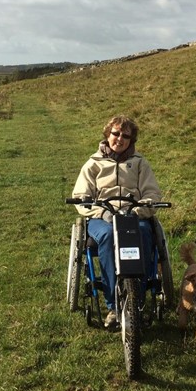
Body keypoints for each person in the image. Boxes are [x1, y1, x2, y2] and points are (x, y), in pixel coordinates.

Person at [72, 115, 163, 329]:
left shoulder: (140, 163)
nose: (119, 139)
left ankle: (137, 302)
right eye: (115, 133)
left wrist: (138, 211)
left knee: (142, 234)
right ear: (107, 135)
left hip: (134, 215)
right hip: (102, 215)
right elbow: (81, 196)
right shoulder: (93, 163)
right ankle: (114, 306)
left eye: (125, 136)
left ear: (132, 140)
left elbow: (152, 192)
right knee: (107, 237)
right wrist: (101, 212)